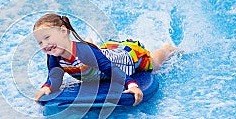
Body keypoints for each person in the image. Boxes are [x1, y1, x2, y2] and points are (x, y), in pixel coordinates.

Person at [33, 13, 177, 106]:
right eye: (40, 42)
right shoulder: (55, 57)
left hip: (127, 60)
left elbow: (112, 70)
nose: (45, 45)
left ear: (63, 31)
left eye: (47, 38)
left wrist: (132, 85)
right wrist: (47, 87)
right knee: (96, 56)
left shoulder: (84, 53)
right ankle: (92, 44)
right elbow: (55, 77)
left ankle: (167, 49)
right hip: (101, 58)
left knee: (154, 64)